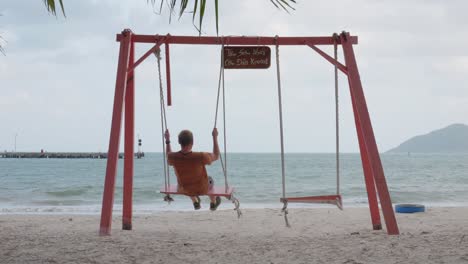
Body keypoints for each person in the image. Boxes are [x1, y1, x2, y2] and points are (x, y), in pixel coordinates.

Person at [165, 128, 222, 211]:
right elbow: (216, 155)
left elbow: (168, 154)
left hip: (184, 189)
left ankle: (195, 201)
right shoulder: (201, 156)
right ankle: (213, 202)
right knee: (209, 180)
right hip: (202, 189)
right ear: (192, 142)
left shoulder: (173, 157)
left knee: (187, 181)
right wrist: (215, 137)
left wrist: (167, 140)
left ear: (179, 142)